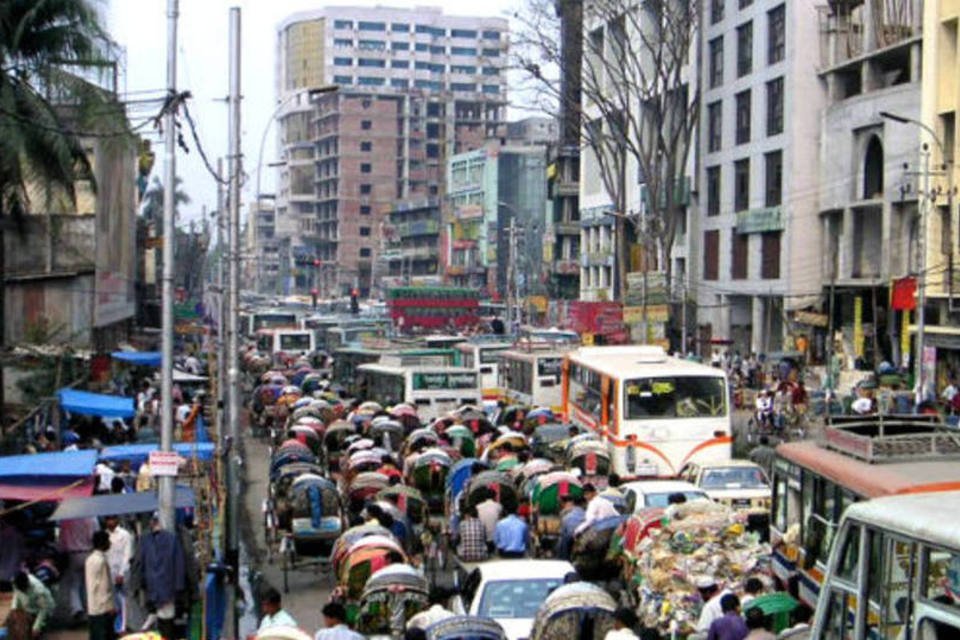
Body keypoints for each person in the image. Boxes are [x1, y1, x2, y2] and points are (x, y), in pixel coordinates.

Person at [59, 517, 99, 622]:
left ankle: (77, 609)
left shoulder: (66, 520)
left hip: (73, 554)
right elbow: (95, 537)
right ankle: (90, 608)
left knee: (74, 584)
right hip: (89, 552)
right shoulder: (91, 518)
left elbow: (62, 539)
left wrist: (62, 551)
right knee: (88, 583)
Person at [104, 515, 133, 631]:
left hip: (122, 572)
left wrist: (121, 573)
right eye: (108, 519)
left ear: (117, 520)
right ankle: (114, 626)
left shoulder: (124, 535)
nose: (110, 521)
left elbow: (127, 555)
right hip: (109, 572)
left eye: (112, 519)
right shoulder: (104, 535)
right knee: (112, 600)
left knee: (123, 599)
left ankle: (123, 626)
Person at [85, 531, 114, 640]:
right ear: (103, 543)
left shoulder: (90, 559)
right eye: (108, 541)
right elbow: (103, 587)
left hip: (93, 606)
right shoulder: (100, 561)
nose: (110, 543)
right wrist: (109, 605)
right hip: (102, 608)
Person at [10, 570, 55, 639]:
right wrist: (14, 608)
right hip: (30, 607)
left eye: (23, 589)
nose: (22, 591)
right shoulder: (15, 582)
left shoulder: (38, 590)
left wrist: (36, 626)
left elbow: (43, 609)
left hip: (44, 609)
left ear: (27, 584)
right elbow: (16, 594)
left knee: (35, 633)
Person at [556, 494, 586, 560]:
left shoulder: (566, 515)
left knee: (562, 540)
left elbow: (562, 531)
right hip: (583, 537)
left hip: (570, 538)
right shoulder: (586, 514)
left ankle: (563, 559)